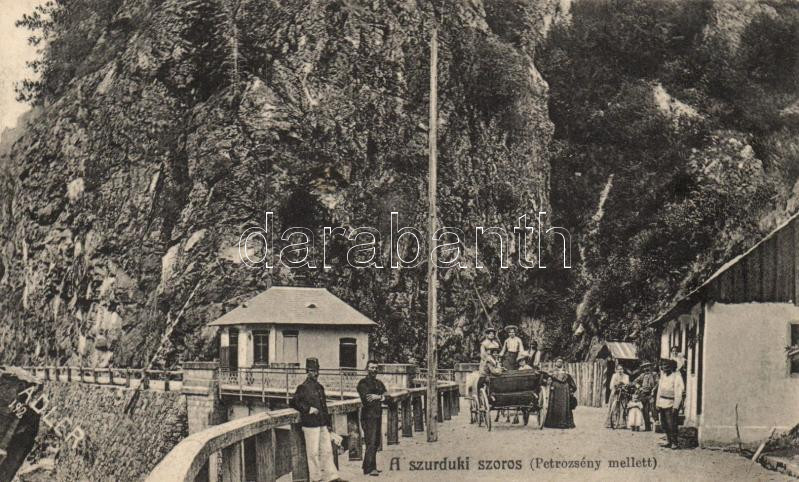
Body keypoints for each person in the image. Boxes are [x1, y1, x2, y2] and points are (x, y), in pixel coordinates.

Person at [290, 358, 346, 482]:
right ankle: (316, 479)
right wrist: (308, 409)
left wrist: (328, 424)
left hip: (322, 424)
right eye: (312, 371)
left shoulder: (320, 387)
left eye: (316, 370)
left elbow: (324, 407)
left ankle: (332, 477)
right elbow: (293, 402)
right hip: (310, 424)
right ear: (307, 371)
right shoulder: (302, 387)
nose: (315, 373)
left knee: (327, 450)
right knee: (313, 453)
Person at [357, 361, 387, 477]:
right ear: (367, 369)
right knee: (371, 441)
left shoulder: (379, 383)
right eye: (371, 368)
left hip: (377, 415)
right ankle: (370, 468)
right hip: (368, 416)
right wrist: (381, 397)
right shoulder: (362, 383)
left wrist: (378, 397)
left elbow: (388, 397)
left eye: (376, 368)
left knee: (376, 441)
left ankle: (367, 467)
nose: (374, 370)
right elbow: (367, 399)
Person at [656, 358, 684, 450]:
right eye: (663, 366)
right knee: (664, 423)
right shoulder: (663, 376)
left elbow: (678, 392)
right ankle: (669, 441)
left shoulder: (676, 377)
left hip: (671, 403)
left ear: (672, 367)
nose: (665, 368)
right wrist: (657, 403)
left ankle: (674, 442)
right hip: (662, 402)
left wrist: (676, 406)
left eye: (667, 366)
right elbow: (659, 390)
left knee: (671, 424)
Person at [543, 358, 577, 429]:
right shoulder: (552, 371)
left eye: (560, 362)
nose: (559, 363)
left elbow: (571, 382)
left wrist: (571, 389)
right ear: (555, 363)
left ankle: (564, 423)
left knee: (564, 406)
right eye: (558, 361)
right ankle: (553, 423)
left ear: (562, 363)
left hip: (564, 391)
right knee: (555, 405)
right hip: (555, 390)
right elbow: (547, 380)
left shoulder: (566, 372)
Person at [633, 362, 658, 431]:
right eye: (645, 367)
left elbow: (657, 383)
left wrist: (653, 390)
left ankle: (657, 425)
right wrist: (639, 387)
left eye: (648, 366)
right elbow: (635, 381)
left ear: (650, 367)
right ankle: (647, 427)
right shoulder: (642, 375)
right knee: (645, 410)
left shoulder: (654, 374)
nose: (646, 368)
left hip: (651, 394)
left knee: (653, 409)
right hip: (643, 394)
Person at [605, 364, 630, 429]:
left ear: (623, 370)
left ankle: (622, 424)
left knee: (622, 408)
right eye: (618, 369)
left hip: (623, 394)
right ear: (616, 370)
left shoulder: (626, 376)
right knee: (613, 408)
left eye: (621, 369)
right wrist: (616, 386)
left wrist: (623, 386)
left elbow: (627, 384)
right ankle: (611, 423)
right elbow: (611, 386)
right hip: (615, 393)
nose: (620, 371)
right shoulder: (614, 376)